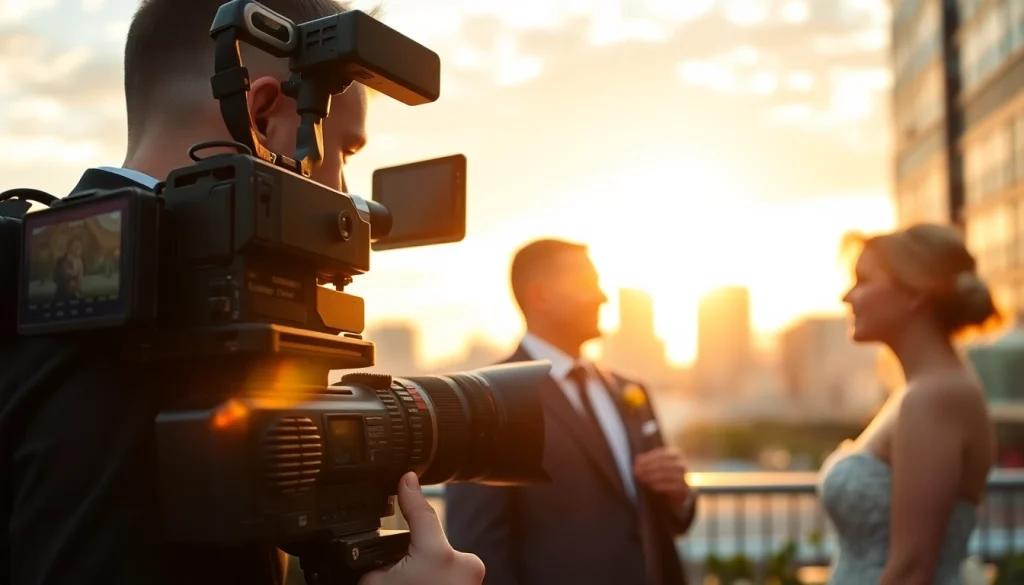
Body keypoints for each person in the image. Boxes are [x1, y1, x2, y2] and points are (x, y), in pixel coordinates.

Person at [0, 1, 484, 584]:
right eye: (345, 153)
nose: (346, 193)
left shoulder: (39, 271)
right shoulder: (161, 326)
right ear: (260, 114)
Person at [444, 238, 698, 585]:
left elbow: (666, 520)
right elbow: (479, 547)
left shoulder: (630, 390)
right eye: (586, 284)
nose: (602, 297)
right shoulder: (486, 398)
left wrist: (680, 495)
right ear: (540, 296)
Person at [819, 223, 997, 585]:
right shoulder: (920, 392)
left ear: (916, 292)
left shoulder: (933, 397)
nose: (847, 297)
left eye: (864, 280)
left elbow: (911, 571)